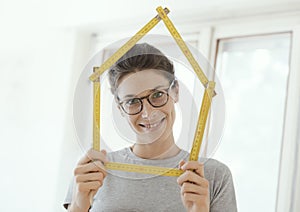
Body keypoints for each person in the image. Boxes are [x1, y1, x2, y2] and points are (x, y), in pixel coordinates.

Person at [64, 43, 237, 212]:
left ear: (175, 91)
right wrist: (78, 206)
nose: (148, 113)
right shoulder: (93, 171)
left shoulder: (214, 176)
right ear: (120, 108)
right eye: (132, 101)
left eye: (157, 95)